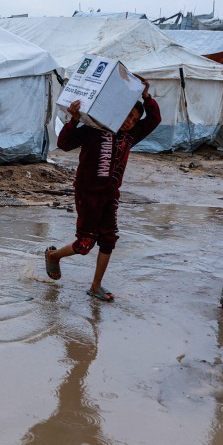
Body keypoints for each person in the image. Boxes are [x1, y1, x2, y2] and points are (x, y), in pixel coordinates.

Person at [44, 75, 160, 301]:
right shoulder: (93, 129)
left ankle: (95, 285)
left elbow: (154, 118)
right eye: (127, 116)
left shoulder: (131, 135)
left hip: (110, 194)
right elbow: (64, 144)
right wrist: (73, 119)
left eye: (134, 120)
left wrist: (146, 96)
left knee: (108, 240)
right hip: (87, 193)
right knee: (85, 244)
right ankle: (54, 255)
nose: (129, 122)